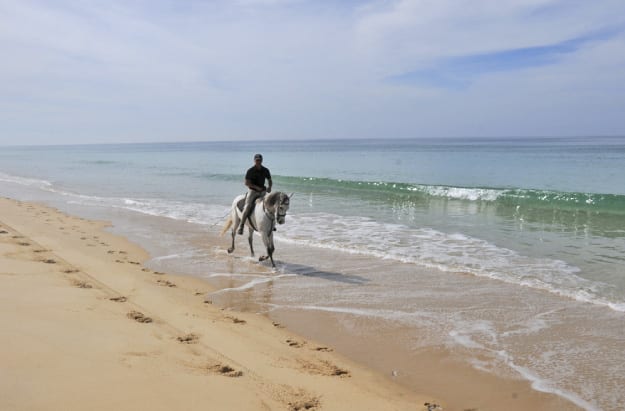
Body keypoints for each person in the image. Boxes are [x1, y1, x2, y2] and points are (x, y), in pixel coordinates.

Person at [238, 153, 272, 235]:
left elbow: (269, 179)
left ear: (262, 161)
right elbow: (247, 183)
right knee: (248, 206)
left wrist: (270, 187)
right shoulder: (250, 171)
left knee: (269, 205)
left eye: (259, 160)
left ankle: (271, 224)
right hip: (253, 191)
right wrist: (257, 188)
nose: (258, 162)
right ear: (254, 161)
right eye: (257, 160)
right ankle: (241, 225)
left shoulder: (265, 170)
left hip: (262, 192)